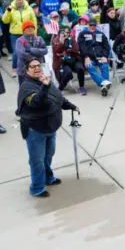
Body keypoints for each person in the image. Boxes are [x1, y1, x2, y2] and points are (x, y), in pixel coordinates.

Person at [17, 57, 79, 197]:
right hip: (35, 130)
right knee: (37, 160)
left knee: (48, 156)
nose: (37, 68)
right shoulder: (26, 86)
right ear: (27, 70)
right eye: (33, 67)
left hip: (50, 128)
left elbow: (58, 97)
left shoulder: (44, 80)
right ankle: (37, 188)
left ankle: (48, 178)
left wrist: (69, 106)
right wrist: (45, 86)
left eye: (38, 65)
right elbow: (36, 102)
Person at [2, 0, 37, 73]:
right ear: (15, 0)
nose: (20, 1)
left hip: (27, 33)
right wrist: (8, 11)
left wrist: (34, 32)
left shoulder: (28, 8)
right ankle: (15, 68)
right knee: (16, 52)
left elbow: (33, 20)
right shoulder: (11, 8)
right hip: (15, 34)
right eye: (18, 0)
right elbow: (5, 21)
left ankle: (26, 68)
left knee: (27, 51)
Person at [78, 18, 112, 95]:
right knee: (89, 66)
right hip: (89, 58)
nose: (92, 26)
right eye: (91, 25)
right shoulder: (82, 34)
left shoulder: (100, 34)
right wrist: (86, 57)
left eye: (94, 25)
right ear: (87, 25)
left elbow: (107, 47)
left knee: (105, 66)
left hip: (100, 57)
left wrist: (105, 56)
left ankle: (103, 87)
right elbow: (81, 47)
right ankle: (103, 83)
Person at [52, 27, 86, 95]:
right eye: (64, 32)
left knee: (80, 68)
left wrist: (69, 50)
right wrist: (62, 42)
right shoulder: (56, 40)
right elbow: (56, 51)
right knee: (68, 73)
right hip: (63, 62)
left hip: (73, 60)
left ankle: (81, 87)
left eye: (68, 32)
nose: (66, 34)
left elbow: (76, 50)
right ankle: (60, 89)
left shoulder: (72, 40)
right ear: (60, 33)